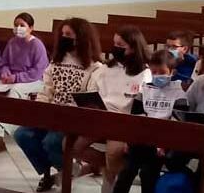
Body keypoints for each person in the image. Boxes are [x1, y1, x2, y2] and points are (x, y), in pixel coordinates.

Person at [15, 18, 102, 192]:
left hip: (73, 119)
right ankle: (50, 173)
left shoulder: (95, 68)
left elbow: (89, 102)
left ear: (81, 38)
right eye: (62, 34)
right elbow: (46, 91)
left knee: (51, 141)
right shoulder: (56, 62)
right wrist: (40, 112)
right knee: (22, 134)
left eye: (69, 35)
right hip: (51, 114)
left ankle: (67, 170)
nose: (64, 38)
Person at [74, 25, 152, 193]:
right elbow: (94, 92)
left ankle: (110, 181)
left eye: (121, 45)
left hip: (123, 123)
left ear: (133, 47)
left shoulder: (144, 73)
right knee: (72, 145)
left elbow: (140, 106)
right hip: (101, 117)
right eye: (114, 44)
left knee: (113, 151)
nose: (115, 48)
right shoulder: (106, 68)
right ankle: (103, 166)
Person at [112, 50, 186, 193]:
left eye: (162, 72)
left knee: (148, 174)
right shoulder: (144, 90)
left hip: (162, 145)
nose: (157, 76)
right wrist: (129, 141)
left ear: (172, 72)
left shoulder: (179, 94)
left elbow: (178, 124)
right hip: (141, 140)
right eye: (154, 72)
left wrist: (164, 145)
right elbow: (136, 117)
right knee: (126, 171)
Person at [0, 12, 49, 137]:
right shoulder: (12, 42)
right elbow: (4, 62)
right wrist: (4, 72)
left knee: (14, 92)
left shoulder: (37, 45)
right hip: (11, 79)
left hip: (33, 80)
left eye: (22, 25)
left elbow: (38, 71)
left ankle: (3, 127)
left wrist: (16, 78)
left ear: (31, 28)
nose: (18, 28)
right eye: (16, 25)